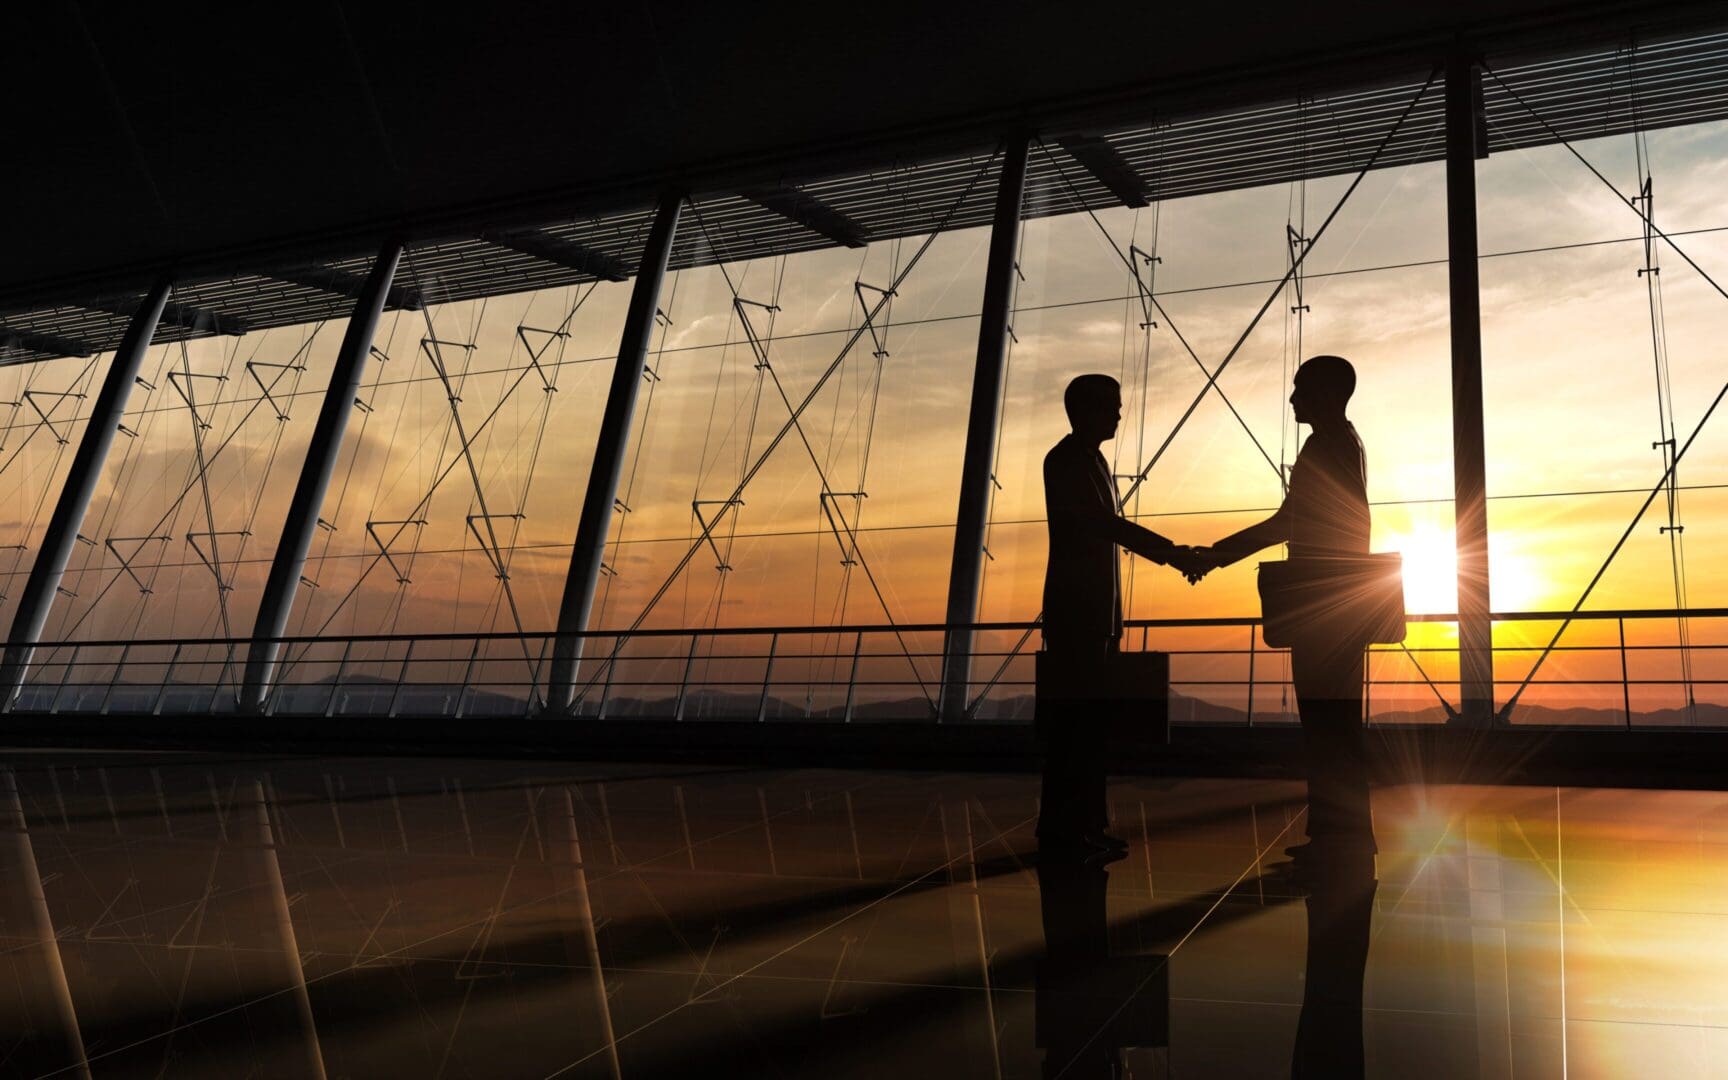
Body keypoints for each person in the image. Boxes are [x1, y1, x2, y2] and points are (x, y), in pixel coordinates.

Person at [1193, 356, 1376, 859]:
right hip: (1341, 601)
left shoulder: (1323, 446)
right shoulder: (1348, 442)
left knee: (1325, 719)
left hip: (1323, 603)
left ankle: (1339, 834)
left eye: (1300, 389)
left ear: (1328, 392)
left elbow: (1286, 521)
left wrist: (1215, 555)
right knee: (1336, 719)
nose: (1293, 399)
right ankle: (1342, 832)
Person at [1040, 374, 1205, 855]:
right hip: (1077, 612)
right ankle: (1068, 829)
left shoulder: (1092, 462)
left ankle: (1080, 826)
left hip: (1094, 613)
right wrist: (1172, 553)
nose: (1118, 413)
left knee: (1087, 727)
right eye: (1111, 406)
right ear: (1084, 409)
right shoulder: (1067, 461)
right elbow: (1103, 525)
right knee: (1076, 728)